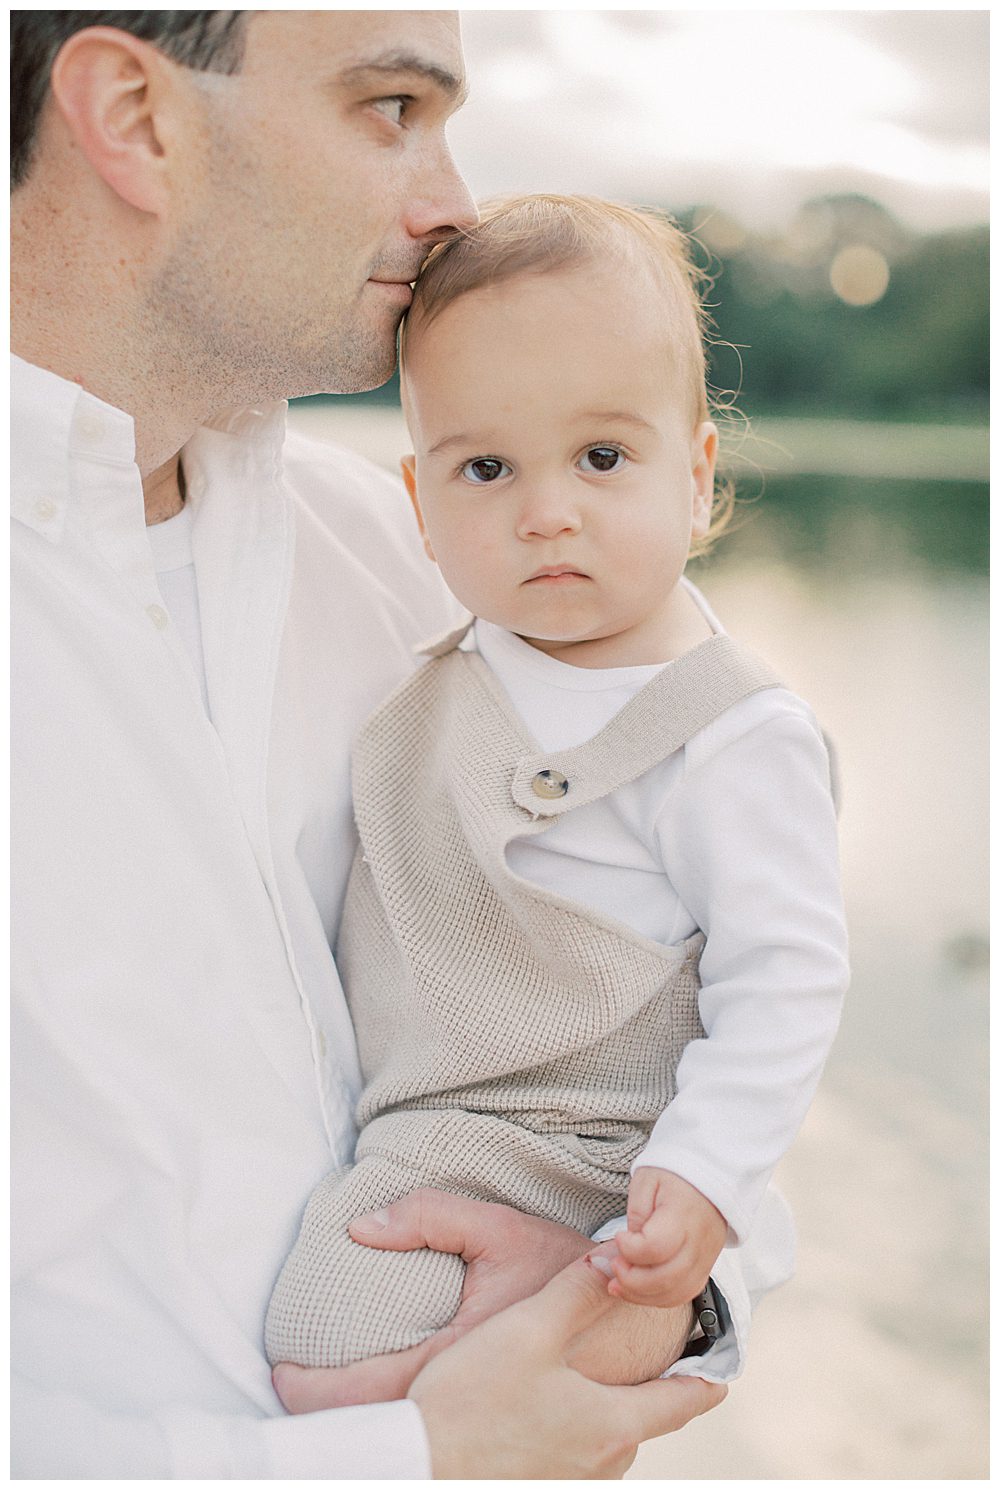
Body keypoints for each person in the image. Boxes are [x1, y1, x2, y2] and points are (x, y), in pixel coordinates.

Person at [11, 11, 784, 1479]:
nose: (452, 203)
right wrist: (407, 1453)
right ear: (133, 111)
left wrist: (653, 1284)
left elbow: (711, 977)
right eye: (389, 111)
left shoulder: (426, 551)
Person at [263, 195, 850, 1376]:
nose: (545, 513)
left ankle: (591, 1354)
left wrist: (703, 1171)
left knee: (331, 1361)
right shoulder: (437, 670)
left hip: (602, 1150)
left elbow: (784, 974)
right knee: (313, 1345)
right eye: (486, 467)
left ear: (693, 476)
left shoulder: (729, 731)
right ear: (420, 507)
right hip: (434, 1128)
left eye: (601, 456)